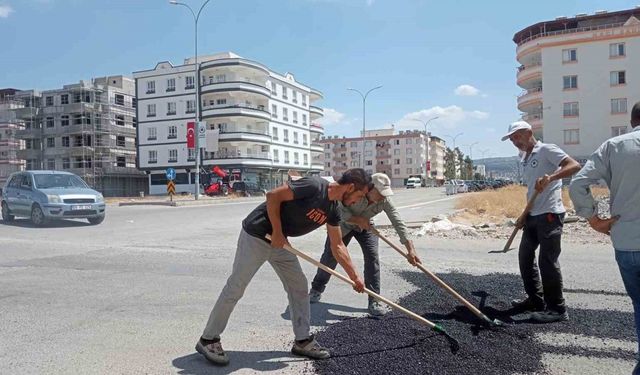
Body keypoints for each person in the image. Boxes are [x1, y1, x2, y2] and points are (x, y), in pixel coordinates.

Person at [195, 169, 370, 366]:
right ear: (351, 187)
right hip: (257, 235)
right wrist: (277, 231)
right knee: (236, 286)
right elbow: (273, 196)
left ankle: (302, 341)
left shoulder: (333, 209)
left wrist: (355, 277)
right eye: (360, 195)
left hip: (281, 244)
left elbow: (337, 245)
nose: (357, 201)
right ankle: (208, 339)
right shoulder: (314, 186)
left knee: (299, 287)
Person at [569, 101, 640, 375]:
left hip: (627, 241)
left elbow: (578, 183)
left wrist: (595, 220)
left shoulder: (614, 146)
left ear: (632, 120)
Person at [309, 172, 421, 316]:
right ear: (370, 188)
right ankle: (316, 289)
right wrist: (356, 220)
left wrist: (410, 249)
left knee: (372, 258)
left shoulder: (384, 200)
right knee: (330, 256)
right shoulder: (354, 191)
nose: (382, 197)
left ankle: (374, 300)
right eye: (380, 193)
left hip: (366, 227)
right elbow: (337, 211)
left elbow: (397, 221)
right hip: (343, 226)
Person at [501, 120, 581, 323]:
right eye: (511, 139)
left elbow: (574, 165)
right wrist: (524, 215)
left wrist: (551, 177)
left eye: (516, 136)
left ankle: (557, 309)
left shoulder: (546, 149)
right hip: (533, 213)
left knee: (547, 261)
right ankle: (536, 300)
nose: (514, 141)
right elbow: (532, 190)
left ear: (529, 132)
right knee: (525, 256)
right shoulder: (525, 157)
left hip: (550, 214)